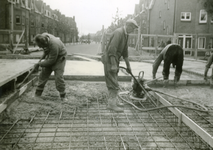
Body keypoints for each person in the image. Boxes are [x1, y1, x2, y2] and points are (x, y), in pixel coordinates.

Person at [101, 19, 138, 112]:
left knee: (114, 80)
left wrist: (128, 66)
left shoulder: (126, 35)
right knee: (113, 83)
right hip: (110, 60)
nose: (133, 30)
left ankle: (113, 101)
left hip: (114, 60)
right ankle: (111, 104)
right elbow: (112, 50)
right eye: (132, 28)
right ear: (128, 26)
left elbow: (125, 53)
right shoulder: (119, 33)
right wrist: (113, 64)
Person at [33, 33, 67, 101]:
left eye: (41, 46)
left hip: (59, 58)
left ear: (45, 42)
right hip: (51, 55)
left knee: (58, 77)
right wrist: (44, 53)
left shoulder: (54, 45)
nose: (40, 47)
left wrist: (39, 64)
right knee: (43, 75)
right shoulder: (43, 36)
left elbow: (51, 61)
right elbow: (46, 51)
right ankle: (37, 94)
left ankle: (63, 96)